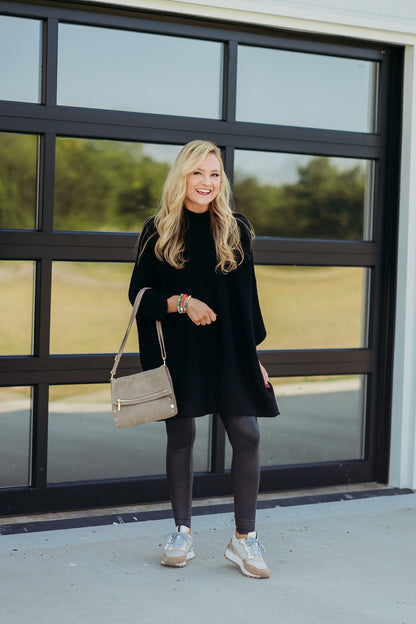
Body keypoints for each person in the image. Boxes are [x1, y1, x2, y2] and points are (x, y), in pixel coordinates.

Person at [128, 140, 279, 579]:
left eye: (215, 175)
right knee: (181, 439)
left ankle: (244, 539)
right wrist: (181, 302)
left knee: (247, 435)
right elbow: (138, 295)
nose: (207, 183)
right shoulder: (157, 229)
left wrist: (254, 356)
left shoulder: (237, 228)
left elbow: (247, 299)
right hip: (181, 354)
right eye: (198, 174)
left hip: (231, 350)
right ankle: (181, 532)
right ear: (182, 177)